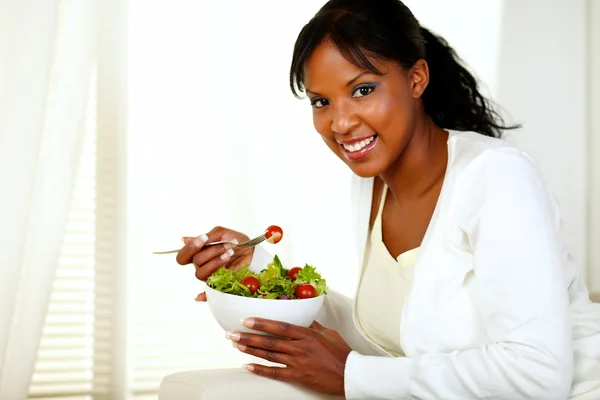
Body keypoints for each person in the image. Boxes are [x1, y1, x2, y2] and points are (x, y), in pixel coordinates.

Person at [175, 0, 600, 398]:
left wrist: (349, 375)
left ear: (416, 79)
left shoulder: (496, 177)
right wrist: (260, 275)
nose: (340, 123)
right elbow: (393, 341)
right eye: (321, 101)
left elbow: (539, 374)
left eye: (362, 90)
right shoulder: (373, 182)